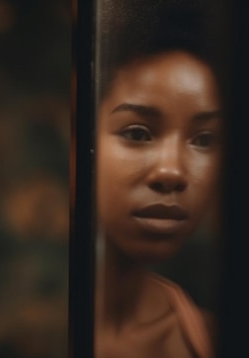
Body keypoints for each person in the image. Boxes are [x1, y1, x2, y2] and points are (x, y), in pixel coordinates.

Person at [94, 1, 222, 357]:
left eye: (205, 140)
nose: (171, 172)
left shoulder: (209, 339)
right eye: (137, 134)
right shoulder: (19, 333)